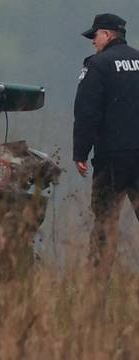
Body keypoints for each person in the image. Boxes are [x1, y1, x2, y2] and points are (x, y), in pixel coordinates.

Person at [73, 13, 139, 268]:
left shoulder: (98, 65)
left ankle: (98, 285)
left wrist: (80, 152)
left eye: (95, 35)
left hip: (112, 160)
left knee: (104, 223)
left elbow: (87, 112)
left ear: (108, 35)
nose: (93, 42)